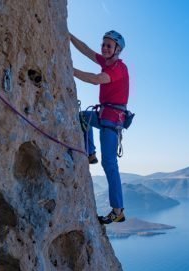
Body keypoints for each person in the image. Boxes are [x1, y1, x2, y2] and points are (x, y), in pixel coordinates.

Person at [70, 30, 129, 224]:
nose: (104, 48)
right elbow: (87, 50)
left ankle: (118, 210)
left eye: (109, 46)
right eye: (103, 44)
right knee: (82, 117)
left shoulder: (118, 68)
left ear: (117, 50)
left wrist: (71, 70)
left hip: (112, 120)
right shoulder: (107, 62)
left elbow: (97, 79)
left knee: (110, 164)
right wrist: (69, 35)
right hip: (104, 115)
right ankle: (90, 153)